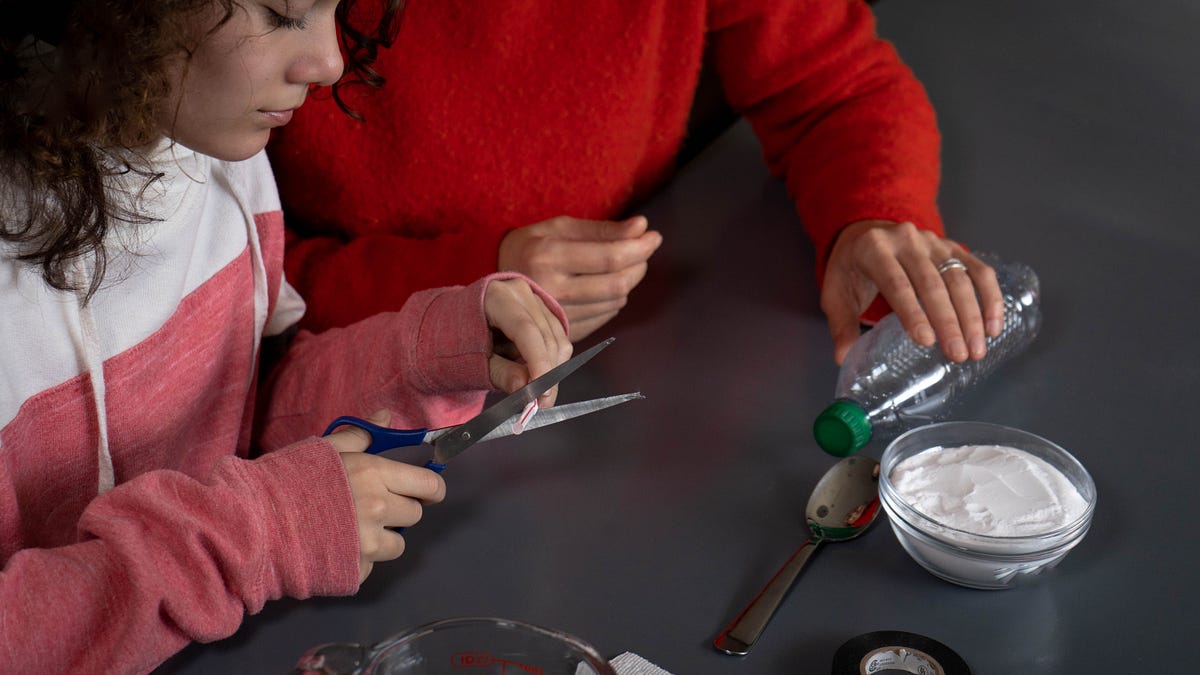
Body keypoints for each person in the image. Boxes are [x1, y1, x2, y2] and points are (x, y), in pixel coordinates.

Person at [0, 1, 571, 671]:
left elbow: (253, 412)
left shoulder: (212, 146)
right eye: (280, 13)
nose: (329, 63)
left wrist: (428, 353)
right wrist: (254, 537)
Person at [267, 0, 1006, 366]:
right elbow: (215, 288)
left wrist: (868, 216)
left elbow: (835, 86)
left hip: (628, 367)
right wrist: (467, 290)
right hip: (348, 398)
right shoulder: (260, 23)